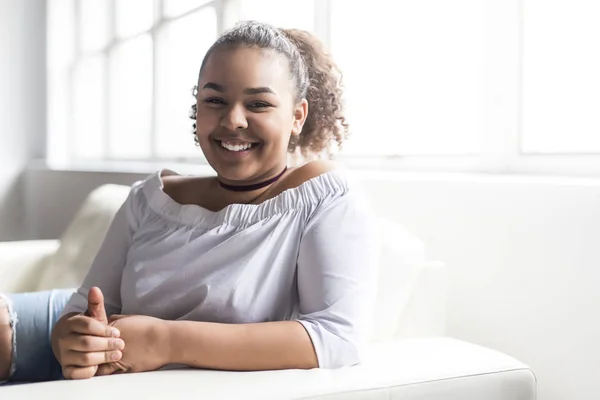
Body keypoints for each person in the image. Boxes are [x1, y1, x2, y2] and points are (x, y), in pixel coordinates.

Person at [0, 20, 377, 383]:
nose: (233, 120)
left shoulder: (324, 197)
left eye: (258, 104)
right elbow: (80, 311)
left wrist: (165, 341)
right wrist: (73, 338)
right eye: (214, 100)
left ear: (297, 116)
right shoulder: (149, 199)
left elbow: (338, 337)